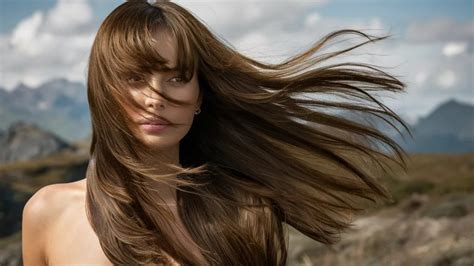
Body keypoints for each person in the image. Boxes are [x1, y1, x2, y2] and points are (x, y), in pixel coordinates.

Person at [22, 0, 412, 265]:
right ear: (102, 89)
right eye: (134, 77)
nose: (156, 97)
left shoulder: (246, 212)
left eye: (177, 77)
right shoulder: (48, 213)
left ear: (199, 97)